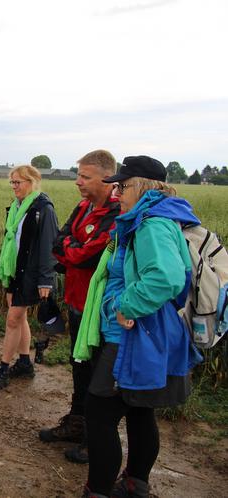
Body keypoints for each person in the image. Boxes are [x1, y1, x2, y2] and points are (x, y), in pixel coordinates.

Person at [81, 156, 201, 498]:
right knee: (138, 409)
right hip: (142, 333)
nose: (117, 193)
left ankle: (98, 490)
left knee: (100, 412)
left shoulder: (152, 223)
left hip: (132, 334)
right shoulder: (156, 218)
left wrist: (126, 305)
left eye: (122, 186)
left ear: (142, 186)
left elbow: (166, 276)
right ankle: (135, 483)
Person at [39, 150, 120, 464]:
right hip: (75, 300)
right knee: (79, 368)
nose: (78, 182)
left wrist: (71, 249)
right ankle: (76, 423)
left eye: (85, 177)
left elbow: (88, 256)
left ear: (106, 177)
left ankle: (95, 439)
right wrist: (73, 248)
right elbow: (58, 244)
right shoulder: (84, 207)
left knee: (100, 376)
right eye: (79, 175)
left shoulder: (115, 213)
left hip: (99, 309)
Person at [0, 165, 58, 390]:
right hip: (14, 270)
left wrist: (46, 279)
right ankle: (25, 362)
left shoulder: (43, 208)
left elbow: (49, 244)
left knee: (13, 319)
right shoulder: (17, 207)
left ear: (32, 182)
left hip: (31, 272)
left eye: (18, 182)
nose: (14, 186)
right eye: (12, 182)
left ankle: (4, 368)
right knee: (20, 317)